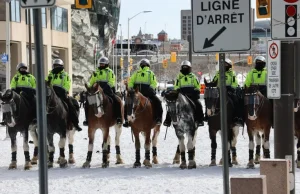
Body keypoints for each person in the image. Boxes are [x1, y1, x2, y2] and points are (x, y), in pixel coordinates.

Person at [163, 60, 204, 127]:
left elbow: (197, 86)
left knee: (199, 104)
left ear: (189, 68)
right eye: (184, 67)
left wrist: (196, 90)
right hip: (181, 95)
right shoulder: (179, 77)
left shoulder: (193, 76)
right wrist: (178, 89)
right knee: (172, 105)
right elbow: (176, 85)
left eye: (186, 67)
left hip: (191, 95)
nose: (185, 68)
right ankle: (168, 120)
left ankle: (200, 120)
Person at [123, 58, 163, 127]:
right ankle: (127, 120)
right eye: (142, 64)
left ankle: (158, 118)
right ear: (140, 65)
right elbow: (131, 81)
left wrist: (151, 88)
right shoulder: (136, 73)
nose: (144, 65)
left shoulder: (150, 73)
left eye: (145, 64)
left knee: (158, 102)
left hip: (148, 93)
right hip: (136, 93)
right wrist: (131, 87)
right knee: (127, 102)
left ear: (148, 65)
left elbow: (154, 82)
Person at [45, 59, 82, 131]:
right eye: (55, 66)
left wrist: (63, 90)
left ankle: (75, 123)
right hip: (52, 93)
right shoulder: (50, 74)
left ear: (61, 66)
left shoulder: (65, 75)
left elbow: (67, 84)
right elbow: (46, 83)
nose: (56, 67)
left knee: (70, 104)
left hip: (61, 92)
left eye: (58, 66)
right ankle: (38, 122)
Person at [84, 57, 122, 125]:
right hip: (96, 90)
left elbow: (112, 81)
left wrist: (104, 87)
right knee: (88, 102)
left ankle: (118, 117)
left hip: (107, 89)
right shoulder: (96, 72)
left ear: (106, 64)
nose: (101, 65)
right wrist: (89, 87)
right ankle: (87, 119)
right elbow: (92, 81)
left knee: (116, 101)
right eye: (100, 64)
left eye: (103, 64)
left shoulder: (110, 72)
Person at [207, 58, 243, 127]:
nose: (224, 66)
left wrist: (232, 87)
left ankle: (237, 118)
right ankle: (209, 115)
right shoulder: (218, 73)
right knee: (210, 99)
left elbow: (235, 82)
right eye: (223, 64)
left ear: (229, 66)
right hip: (219, 90)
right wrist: (211, 84)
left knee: (236, 100)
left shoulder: (232, 73)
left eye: (226, 64)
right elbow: (214, 81)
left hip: (229, 90)